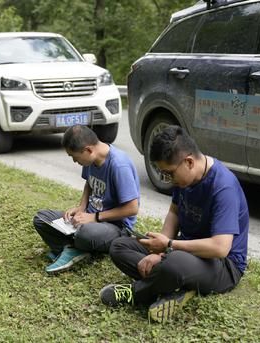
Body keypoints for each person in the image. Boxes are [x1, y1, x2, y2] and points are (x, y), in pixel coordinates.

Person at [100, 125, 249, 323]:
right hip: (184, 251)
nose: (167, 180)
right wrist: (159, 252)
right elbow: (174, 212)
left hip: (222, 266)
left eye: (169, 173)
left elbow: (220, 248)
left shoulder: (223, 187)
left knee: (174, 264)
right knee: (120, 246)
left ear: (188, 162)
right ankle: (175, 286)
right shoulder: (183, 181)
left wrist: (168, 247)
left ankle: (136, 293)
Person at [33, 125, 140, 274]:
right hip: (89, 219)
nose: (74, 161)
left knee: (85, 232)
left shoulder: (119, 165)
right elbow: (89, 183)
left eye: (74, 157)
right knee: (41, 218)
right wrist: (81, 208)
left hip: (116, 227)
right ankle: (74, 249)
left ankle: (75, 247)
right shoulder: (91, 160)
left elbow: (132, 208)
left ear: (88, 150)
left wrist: (93, 217)